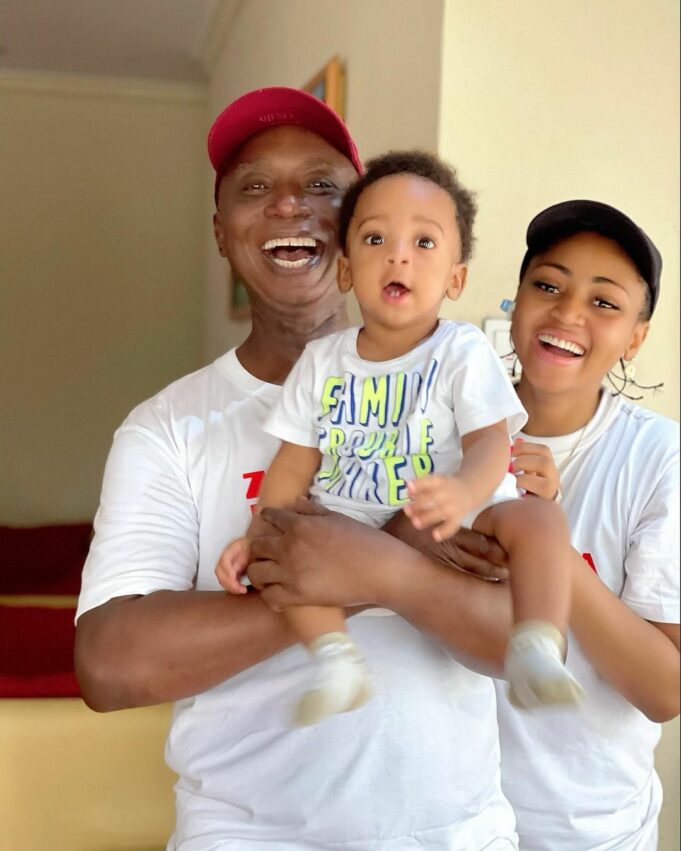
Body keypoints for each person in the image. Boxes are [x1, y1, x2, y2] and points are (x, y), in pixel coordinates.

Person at [75, 88, 520, 850]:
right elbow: (111, 664)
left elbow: (520, 638)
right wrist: (370, 562)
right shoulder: (167, 428)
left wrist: (368, 565)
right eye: (255, 186)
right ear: (222, 233)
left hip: (453, 834)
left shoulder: (458, 389)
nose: (288, 204)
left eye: (320, 185)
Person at [248, 199, 679, 850]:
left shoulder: (658, 458)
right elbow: (351, 548)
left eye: (604, 302)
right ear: (516, 300)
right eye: (548, 285)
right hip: (437, 815)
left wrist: (545, 551)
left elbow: (664, 690)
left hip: (582, 829)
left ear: (636, 336)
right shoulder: (435, 410)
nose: (567, 314)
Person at [216, 151, 582, 727]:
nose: (399, 255)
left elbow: (491, 444)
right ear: (345, 271)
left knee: (540, 520)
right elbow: (292, 463)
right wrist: (260, 531)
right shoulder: (321, 361)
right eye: (375, 239)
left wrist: (464, 492)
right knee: (278, 557)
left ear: (456, 279)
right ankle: (334, 658)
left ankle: (536, 641)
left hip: (450, 518)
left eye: (424, 242)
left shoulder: (461, 350)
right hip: (343, 526)